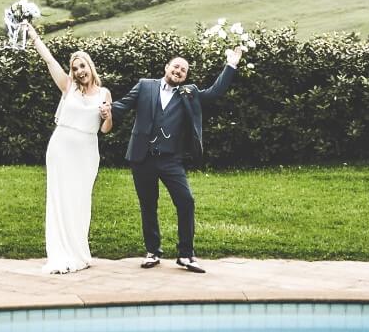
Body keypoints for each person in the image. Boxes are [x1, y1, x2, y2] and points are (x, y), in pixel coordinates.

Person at [102, 45, 242, 272]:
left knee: (186, 201)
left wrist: (231, 64)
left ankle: (186, 255)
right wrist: (104, 109)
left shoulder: (190, 92)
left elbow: (215, 92)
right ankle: (152, 252)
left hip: (171, 159)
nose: (179, 71)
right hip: (143, 157)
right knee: (148, 205)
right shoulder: (145, 85)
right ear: (167, 67)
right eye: (176, 66)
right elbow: (123, 105)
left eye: (184, 70)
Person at [26, 24, 112, 274]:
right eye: (75, 68)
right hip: (61, 148)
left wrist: (107, 115)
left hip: (86, 152)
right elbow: (50, 60)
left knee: (80, 201)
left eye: (82, 66)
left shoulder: (104, 93)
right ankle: (61, 252)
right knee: (59, 199)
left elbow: (106, 129)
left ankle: (79, 251)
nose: (79, 71)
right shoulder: (69, 88)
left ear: (90, 67)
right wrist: (33, 35)